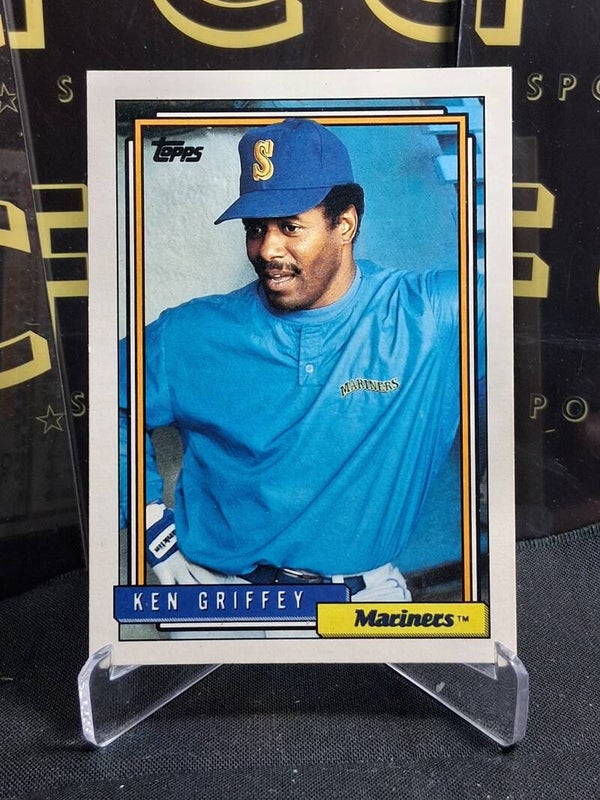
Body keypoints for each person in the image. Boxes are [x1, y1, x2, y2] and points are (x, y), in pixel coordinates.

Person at [120, 117, 470, 606]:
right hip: (221, 596)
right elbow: (104, 397)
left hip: (362, 598)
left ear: (344, 224)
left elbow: (537, 324)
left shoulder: (433, 314)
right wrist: (148, 519)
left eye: (289, 227)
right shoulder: (191, 332)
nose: (267, 249)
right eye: (255, 229)